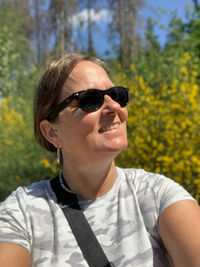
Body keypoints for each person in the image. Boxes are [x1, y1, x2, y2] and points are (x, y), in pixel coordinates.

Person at [0, 53, 200, 267]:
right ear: (52, 132)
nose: (114, 107)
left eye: (117, 95)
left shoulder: (158, 195)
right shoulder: (22, 211)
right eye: (90, 100)